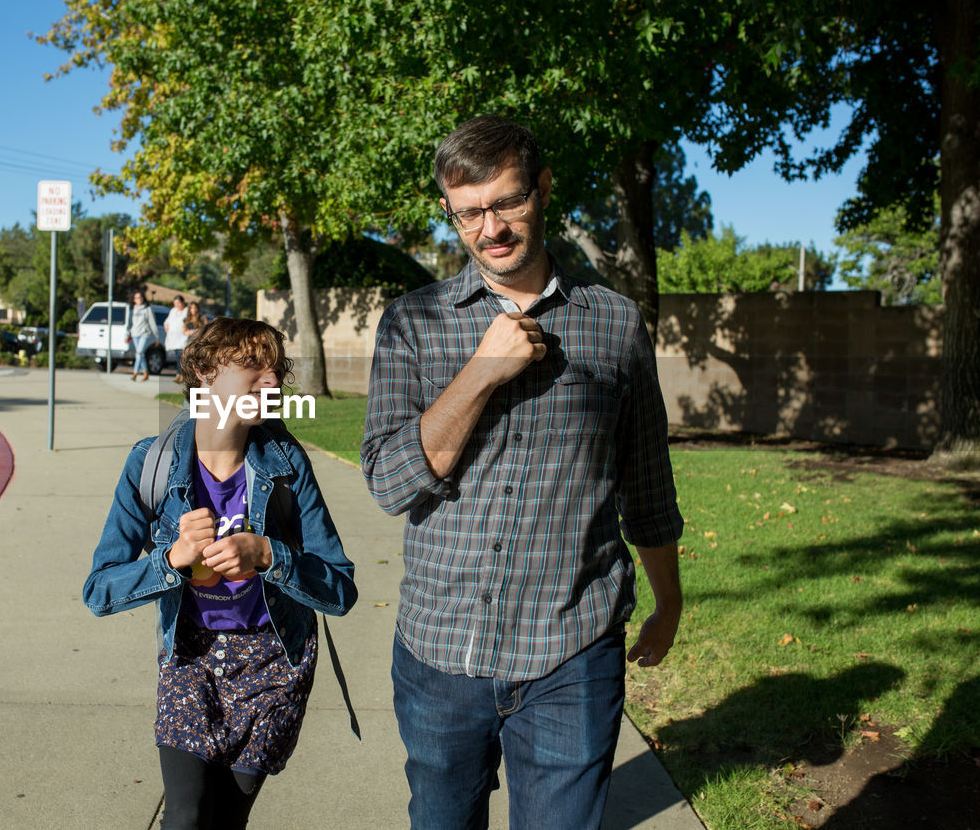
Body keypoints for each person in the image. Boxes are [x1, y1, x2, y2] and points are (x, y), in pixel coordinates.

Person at [361, 115, 684, 830]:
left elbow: (648, 484)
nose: (490, 227)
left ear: (541, 189)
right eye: (468, 211)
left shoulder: (615, 324)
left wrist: (669, 602)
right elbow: (388, 481)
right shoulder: (412, 322)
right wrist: (481, 371)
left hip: (570, 651)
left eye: (506, 201)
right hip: (439, 650)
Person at [86, 317, 358, 830]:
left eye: (277, 371)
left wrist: (270, 555)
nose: (273, 382)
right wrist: (170, 562)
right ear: (205, 373)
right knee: (186, 818)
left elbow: (339, 589)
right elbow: (99, 590)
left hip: (273, 664)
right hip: (191, 657)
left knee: (226, 821)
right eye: (254, 366)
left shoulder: (286, 463)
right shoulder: (152, 464)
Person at [129, 288, 160, 381]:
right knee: (140, 354)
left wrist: (156, 336)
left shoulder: (147, 309)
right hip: (135, 334)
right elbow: (129, 322)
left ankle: (135, 372)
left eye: (140, 297)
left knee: (138, 353)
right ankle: (146, 373)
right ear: (134, 299)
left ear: (143, 298)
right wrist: (127, 334)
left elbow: (152, 323)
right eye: (137, 298)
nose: (139, 299)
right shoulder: (132, 309)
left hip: (144, 334)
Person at [165, 294, 189, 383]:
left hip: (183, 338)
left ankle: (180, 374)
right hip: (174, 339)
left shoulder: (187, 311)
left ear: (183, 302)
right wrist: (166, 327)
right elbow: (167, 321)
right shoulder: (173, 311)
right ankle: (179, 374)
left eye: (178, 303)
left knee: (181, 357)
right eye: (175, 303)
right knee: (178, 357)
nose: (177, 305)